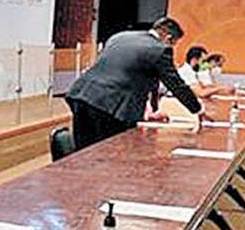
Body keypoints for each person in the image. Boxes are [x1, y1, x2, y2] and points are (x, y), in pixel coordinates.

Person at [66, 17, 212, 151]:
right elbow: (176, 85)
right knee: (108, 152)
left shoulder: (120, 37)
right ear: (168, 38)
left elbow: (135, 77)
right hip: (111, 105)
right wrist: (198, 110)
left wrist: (150, 111)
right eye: (174, 43)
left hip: (81, 95)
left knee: (83, 151)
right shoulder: (160, 49)